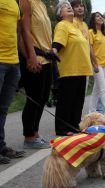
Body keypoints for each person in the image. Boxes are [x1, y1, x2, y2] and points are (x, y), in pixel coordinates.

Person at [52, 1, 93, 136]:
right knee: (66, 100)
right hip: (70, 69)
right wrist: (54, 50)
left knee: (78, 100)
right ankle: (62, 128)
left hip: (82, 69)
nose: (69, 8)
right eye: (65, 7)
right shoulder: (62, 25)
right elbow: (58, 42)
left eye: (70, 7)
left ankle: (74, 125)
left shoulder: (75, 26)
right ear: (60, 14)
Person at [19, 0, 55, 149]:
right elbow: (24, 30)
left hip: (46, 59)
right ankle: (29, 136)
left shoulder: (42, 4)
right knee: (34, 98)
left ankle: (35, 132)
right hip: (35, 57)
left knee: (43, 98)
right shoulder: (26, 1)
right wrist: (31, 57)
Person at [0, 0, 26, 164]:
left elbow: (17, 31)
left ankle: (1, 146)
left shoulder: (14, 3)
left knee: (3, 108)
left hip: (13, 61)